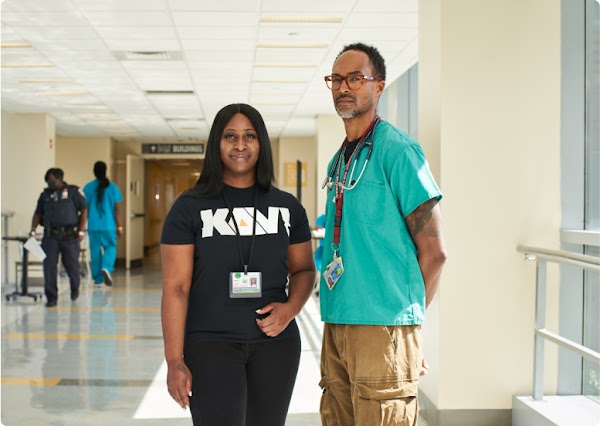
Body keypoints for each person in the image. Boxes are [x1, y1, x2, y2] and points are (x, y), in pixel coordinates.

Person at [160, 103, 316, 426]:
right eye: (230, 136)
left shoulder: (287, 208)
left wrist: (290, 310)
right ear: (217, 142)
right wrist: (174, 358)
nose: (240, 145)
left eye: (250, 136)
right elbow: (176, 287)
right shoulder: (189, 208)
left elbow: (304, 270)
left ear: (262, 144)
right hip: (209, 345)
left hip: (276, 345)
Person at [318, 42, 447, 425]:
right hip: (337, 321)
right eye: (337, 79)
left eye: (356, 78)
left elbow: (435, 252)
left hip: (383, 326)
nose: (344, 87)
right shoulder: (340, 159)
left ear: (379, 87)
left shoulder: (399, 152)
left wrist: (408, 328)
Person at [31, 168, 88, 307]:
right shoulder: (45, 195)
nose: (50, 183)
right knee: (49, 266)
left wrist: (81, 231)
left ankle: (75, 287)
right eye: (48, 181)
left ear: (60, 179)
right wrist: (32, 229)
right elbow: (38, 213)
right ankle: (51, 297)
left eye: (52, 180)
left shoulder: (73, 192)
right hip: (51, 235)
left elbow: (84, 209)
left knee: (71, 265)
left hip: (69, 235)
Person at [83, 161, 123, 287]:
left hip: (93, 226)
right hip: (109, 226)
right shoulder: (112, 187)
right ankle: (106, 267)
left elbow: (85, 209)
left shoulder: (88, 187)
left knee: (95, 252)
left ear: (94, 172)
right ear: (105, 171)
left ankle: (98, 280)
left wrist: (82, 227)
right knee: (111, 247)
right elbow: (117, 210)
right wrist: (120, 227)